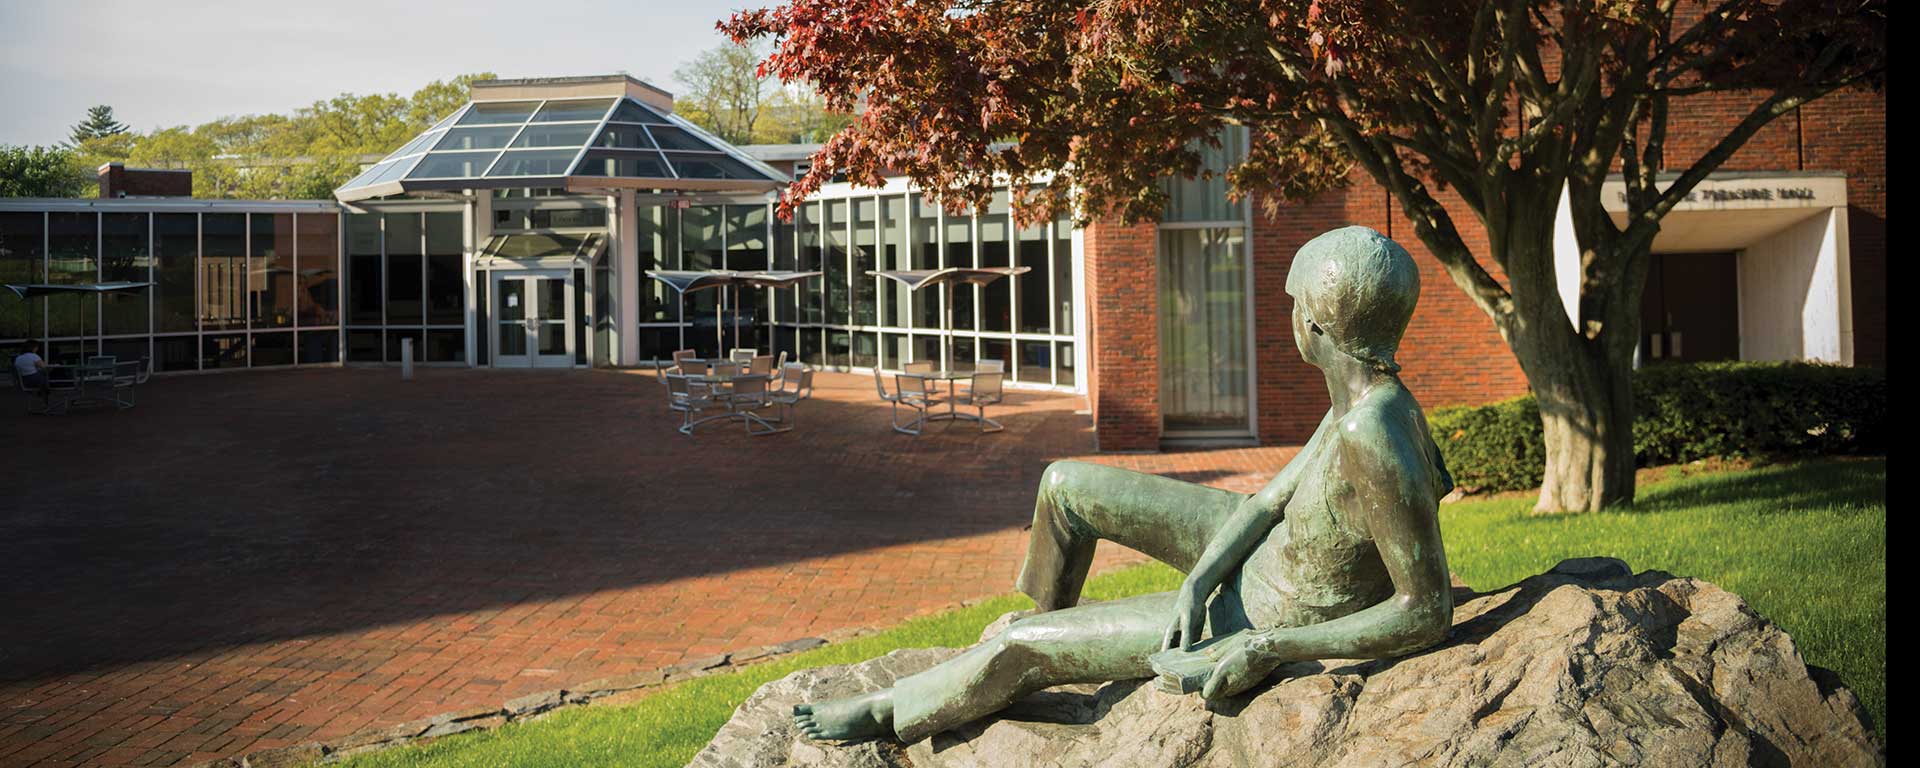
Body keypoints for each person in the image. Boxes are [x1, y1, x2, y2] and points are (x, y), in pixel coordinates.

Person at [793, 226, 1458, 743]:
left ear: (1316, 327)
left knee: (1018, 648)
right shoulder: (1356, 394)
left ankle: (896, 705)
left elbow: (1424, 610)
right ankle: (1059, 633)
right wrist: (1199, 577)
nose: (1285, 317)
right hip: (1265, 552)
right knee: (1062, 484)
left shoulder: (1374, 432)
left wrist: (1265, 645)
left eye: (1292, 306)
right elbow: (1266, 501)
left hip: (1269, 609)